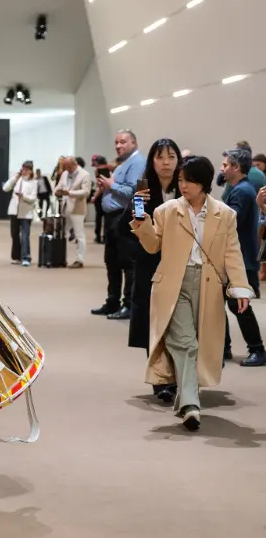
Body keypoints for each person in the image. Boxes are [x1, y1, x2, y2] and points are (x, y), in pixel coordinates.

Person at [131, 156, 253, 431]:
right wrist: (141, 221)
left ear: (203, 183)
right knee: (186, 343)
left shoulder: (225, 214)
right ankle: (190, 404)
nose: (182, 185)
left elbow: (232, 253)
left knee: (202, 341)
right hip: (172, 284)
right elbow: (152, 247)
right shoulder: (166, 210)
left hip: (210, 285)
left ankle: (188, 395)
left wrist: (240, 287)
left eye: (188, 180)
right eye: (181, 179)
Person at [125, 138, 181, 403]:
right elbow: (132, 225)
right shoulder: (143, 189)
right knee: (153, 321)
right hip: (150, 264)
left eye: (171, 156)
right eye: (160, 157)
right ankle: (161, 381)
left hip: (181, 263)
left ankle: (181, 375)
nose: (166, 162)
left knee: (179, 321)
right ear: (152, 161)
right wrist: (136, 203)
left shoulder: (188, 187)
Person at [92, 130, 145, 320]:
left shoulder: (138, 162)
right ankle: (112, 301)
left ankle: (129, 304)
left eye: (123, 142)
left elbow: (134, 191)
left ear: (133, 143)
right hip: (112, 218)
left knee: (127, 263)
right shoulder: (124, 164)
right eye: (116, 142)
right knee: (112, 261)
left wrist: (111, 185)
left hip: (123, 217)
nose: (118, 145)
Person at [220, 149, 265, 366]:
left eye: (225, 165)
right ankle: (223, 347)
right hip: (239, 257)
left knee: (240, 306)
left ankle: (257, 349)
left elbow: (230, 222)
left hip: (241, 259)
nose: (222, 168)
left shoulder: (241, 192)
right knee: (228, 304)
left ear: (236, 168)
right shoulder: (241, 189)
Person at [54, 156, 91, 268]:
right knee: (62, 234)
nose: (67, 169)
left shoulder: (85, 174)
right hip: (65, 207)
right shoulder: (65, 173)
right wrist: (57, 191)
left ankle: (79, 260)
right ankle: (61, 258)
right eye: (66, 167)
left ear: (75, 165)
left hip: (78, 208)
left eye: (69, 167)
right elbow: (59, 186)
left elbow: (86, 192)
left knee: (79, 235)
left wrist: (70, 193)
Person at [3, 161, 37, 267]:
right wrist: (15, 178)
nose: (24, 171)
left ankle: (26, 257)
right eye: (23, 169)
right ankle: (16, 257)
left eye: (26, 169)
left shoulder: (34, 182)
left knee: (25, 236)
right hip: (14, 211)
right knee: (14, 235)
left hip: (26, 213)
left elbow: (33, 199)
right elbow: (5, 188)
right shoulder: (17, 179)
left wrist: (23, 196)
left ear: (31, 171)